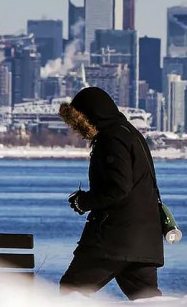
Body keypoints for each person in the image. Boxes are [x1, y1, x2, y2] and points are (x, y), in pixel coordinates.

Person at [57, 87, 164, 300]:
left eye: (80, 120)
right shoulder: (130, 134)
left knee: (71, 291)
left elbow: (118, 189)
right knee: (147, 300)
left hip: (114, 239)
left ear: (90, 115)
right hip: (144, 239)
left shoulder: (111, 139)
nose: (79, 128)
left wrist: (84, 201)